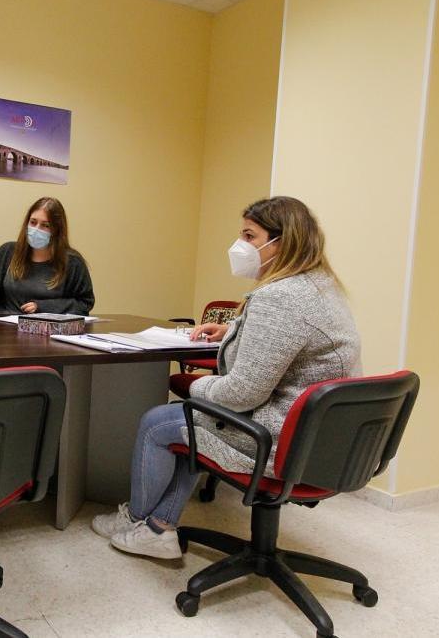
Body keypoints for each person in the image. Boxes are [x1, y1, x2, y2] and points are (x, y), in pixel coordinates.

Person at [92, 196, 361, 559]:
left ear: (280, 242)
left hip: (281, 441)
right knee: (190, 420)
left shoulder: (280, 297)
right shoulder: (320, 287)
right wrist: (233, 330)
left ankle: (142, 520)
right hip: (324, 440)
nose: (241, 246)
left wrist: (195, 387)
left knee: (161, 421)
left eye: (250, 236)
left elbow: (243, 393)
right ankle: (158, 526)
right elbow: (288, 340)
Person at [0, 196, 94, 317]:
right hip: (1, 332)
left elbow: (84, 303)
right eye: (33, 222)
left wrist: (43, 307)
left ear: (57, 230)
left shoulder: (72, 263)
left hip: (46, 337)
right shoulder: (7, 252)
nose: (36, 229)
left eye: (45, 225)